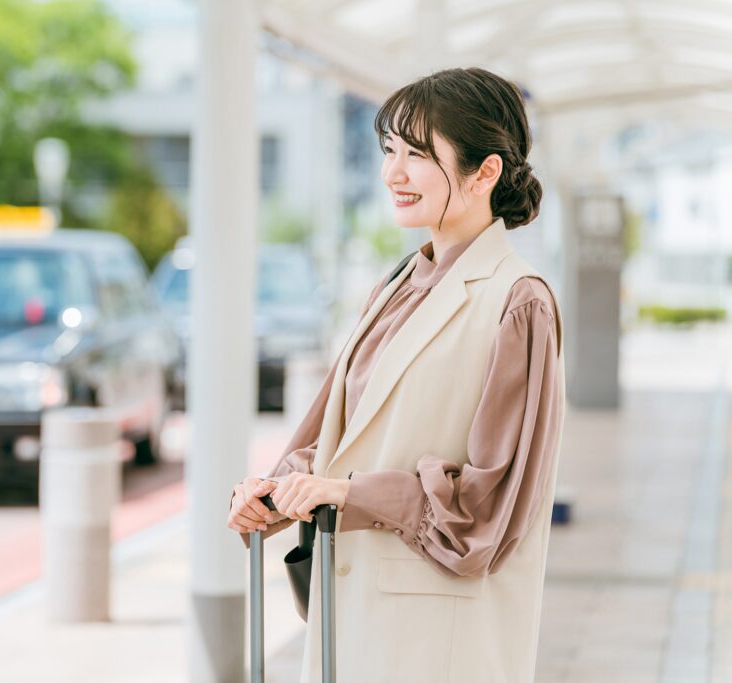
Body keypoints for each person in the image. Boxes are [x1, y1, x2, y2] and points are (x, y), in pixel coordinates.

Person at [228, 67, 565, 682]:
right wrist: (275, 495)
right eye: (389, 151)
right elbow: (332, 437)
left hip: (439, 638)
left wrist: (350, 495)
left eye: (417, 155)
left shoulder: (518, 302)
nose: (393, 174)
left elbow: (492, 505)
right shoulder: (395, 285)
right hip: (352, 616)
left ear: (485, 171)